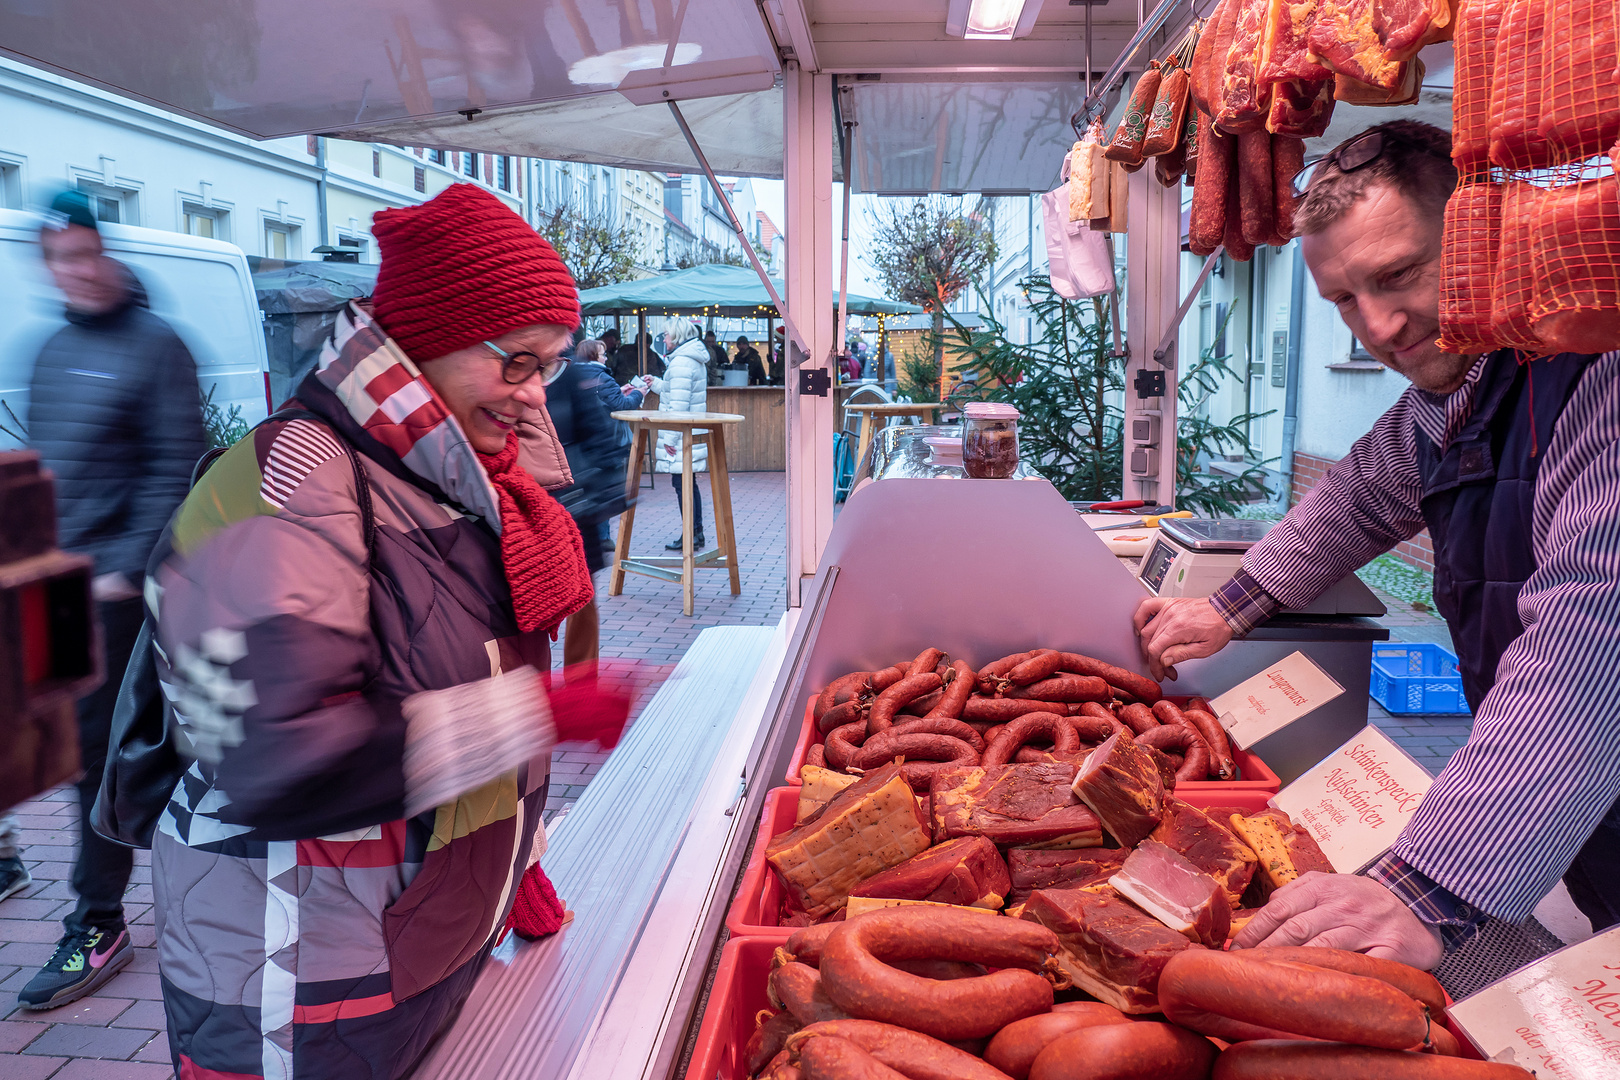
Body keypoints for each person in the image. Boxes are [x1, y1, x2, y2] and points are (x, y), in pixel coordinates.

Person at [143, 184, 627, 1079]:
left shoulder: (455, 476)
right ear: (425, 341)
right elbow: (276, 758)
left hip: (408, 929)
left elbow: (447, 675)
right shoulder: (287, 484)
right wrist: (535, 717)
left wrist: (512, 859)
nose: (533, 396)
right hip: (297, 967)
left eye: (552, 364)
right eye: (517, 360)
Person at [1134, 121, 1620, 971]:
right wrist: (1225, 610)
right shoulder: (1460, 392)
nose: (1381, 325)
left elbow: (1594, 630)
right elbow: (1355, 499)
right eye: (1344, 301)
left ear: (1483, 234)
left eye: (1400, 273)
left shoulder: (1598, 367)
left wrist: (1427, 892)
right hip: (1580, 805)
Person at [14, 190, 207, 1011]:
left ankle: (98, 922)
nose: (79, 270)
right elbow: (48, 469)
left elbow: (177, 467)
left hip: (126, 592)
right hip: (64, 586)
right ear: (46, 265)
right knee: (71, 748)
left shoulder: (157, 345)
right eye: (63, 258)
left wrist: (124, 571)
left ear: (107, 252)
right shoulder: (48, 348)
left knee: (106, 755)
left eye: (89, 253)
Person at [549, 340, 634, 669]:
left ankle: (581, 688)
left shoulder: (571, 376)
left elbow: (599, 437)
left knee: (581, 598)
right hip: (527, 508)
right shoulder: (509, 377)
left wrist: (606, 495)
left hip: (576, 505)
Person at [650, 318, 711, 550]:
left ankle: (691, 534)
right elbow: (676, 394)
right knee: (687, 483)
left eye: (666, 334)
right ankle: (695, 532)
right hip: (689, 433)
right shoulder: (689, 360)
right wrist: (656, 383)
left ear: (676, 336)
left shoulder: (680, 364)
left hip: (682, 435)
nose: (664, 339)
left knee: (682, 484)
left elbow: (678, 406)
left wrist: (669, 439)